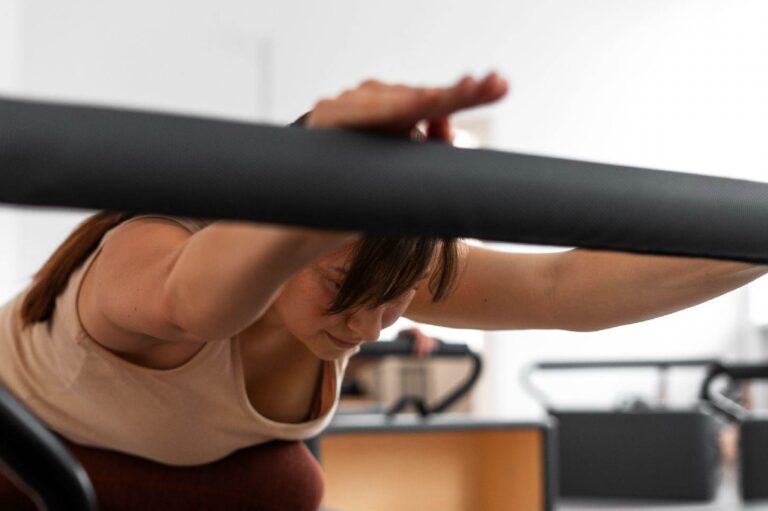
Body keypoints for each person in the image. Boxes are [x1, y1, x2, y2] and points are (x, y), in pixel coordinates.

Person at [0, 71, 764, 510]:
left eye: (395, 294)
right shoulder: (153, 249)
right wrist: (312, 177)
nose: (369, 323)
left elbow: (557, 284)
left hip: (191, 467)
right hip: (28, 449)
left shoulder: (375, 256)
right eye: (341, 286)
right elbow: (200, 301)